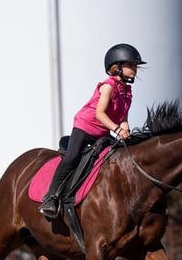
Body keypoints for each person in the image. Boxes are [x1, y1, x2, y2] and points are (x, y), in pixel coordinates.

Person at [39, 43, 146, 218]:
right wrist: (117, 129)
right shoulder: (108, 86)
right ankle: (50, 197)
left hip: (104, 131)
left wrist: (126, 129)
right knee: (72, 157)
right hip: (85, 126)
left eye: (135, 66)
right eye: (131, 65)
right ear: (117, 67)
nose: (135, 69)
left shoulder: (128, 91)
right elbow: (100, 114)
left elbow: (123, 117)